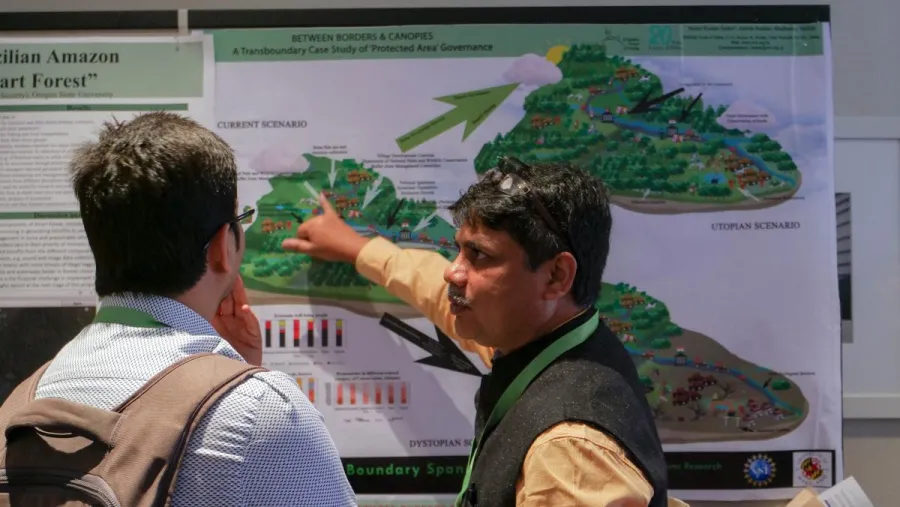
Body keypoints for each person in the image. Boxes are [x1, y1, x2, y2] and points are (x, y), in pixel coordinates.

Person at [283, 157, 688, 507]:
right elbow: (435, 289)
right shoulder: (545, 338)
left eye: (479, 255)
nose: (452, 270)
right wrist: (357, 248)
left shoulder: (569, 452)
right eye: (459, 249)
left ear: (556, 275)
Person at [31, 112, 356, 506]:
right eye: (241, 220)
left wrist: (234, 370)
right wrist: (244, 385)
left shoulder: (29, 397)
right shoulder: (261, 411)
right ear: (222, 246)